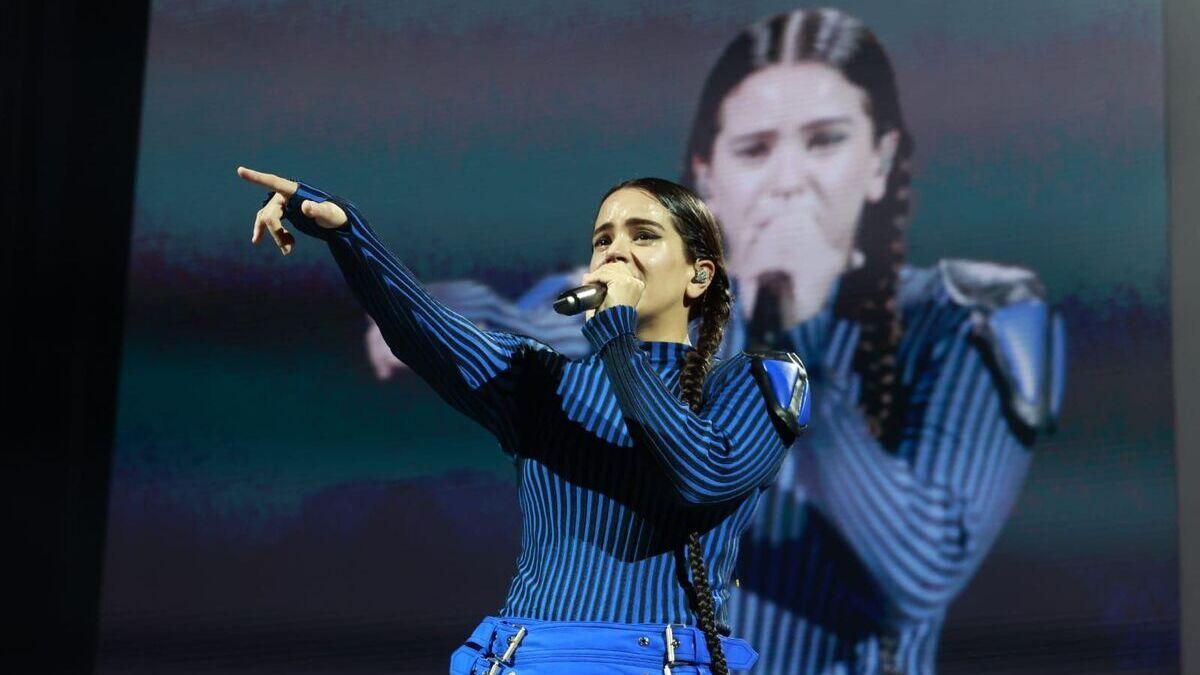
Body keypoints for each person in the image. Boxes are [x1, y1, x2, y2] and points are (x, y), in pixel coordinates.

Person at [362, 8, 1066, 673]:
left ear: (879, 161)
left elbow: (917, 570)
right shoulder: (591, 329)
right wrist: (346, 237)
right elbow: (458, 321)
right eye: (756, 148)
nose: (788, 180)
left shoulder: (962, 322)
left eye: (824, 140)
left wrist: (797, 324)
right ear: (710, 172)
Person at [237, 167, 811, 674]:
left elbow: (699, 474)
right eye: (602, 239)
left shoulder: (754, 383)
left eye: (644, 236)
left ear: (699, 276)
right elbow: (421, 324)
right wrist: (345, 232)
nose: (614, 251)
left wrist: (615, 336)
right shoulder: (542, 379)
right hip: (525, 654)